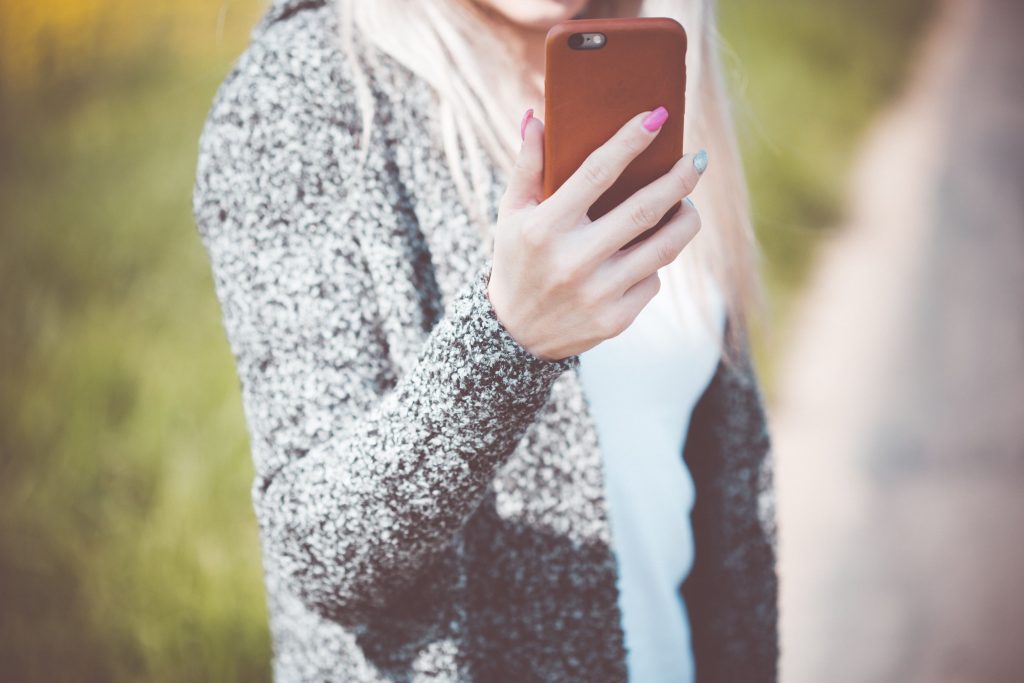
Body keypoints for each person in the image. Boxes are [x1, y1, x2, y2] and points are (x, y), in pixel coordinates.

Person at [193, 0, 777, 680]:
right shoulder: (299, 97)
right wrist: (507, 340)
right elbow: (318, 555)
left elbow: (725, 509)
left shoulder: (655, 63)